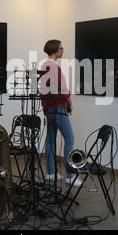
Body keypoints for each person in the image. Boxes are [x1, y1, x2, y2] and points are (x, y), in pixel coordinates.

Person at [40, 39, 82, 186]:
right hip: (58, 107)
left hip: (49, 109)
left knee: (50, 140)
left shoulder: (44, 65)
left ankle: (51, 173)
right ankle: (71, 175)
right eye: (61, 48)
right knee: (69, 139)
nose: (63, 50)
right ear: (56, 50)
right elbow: (63, 89)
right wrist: (70, 103)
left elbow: (44, 90)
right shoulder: (54, 67)